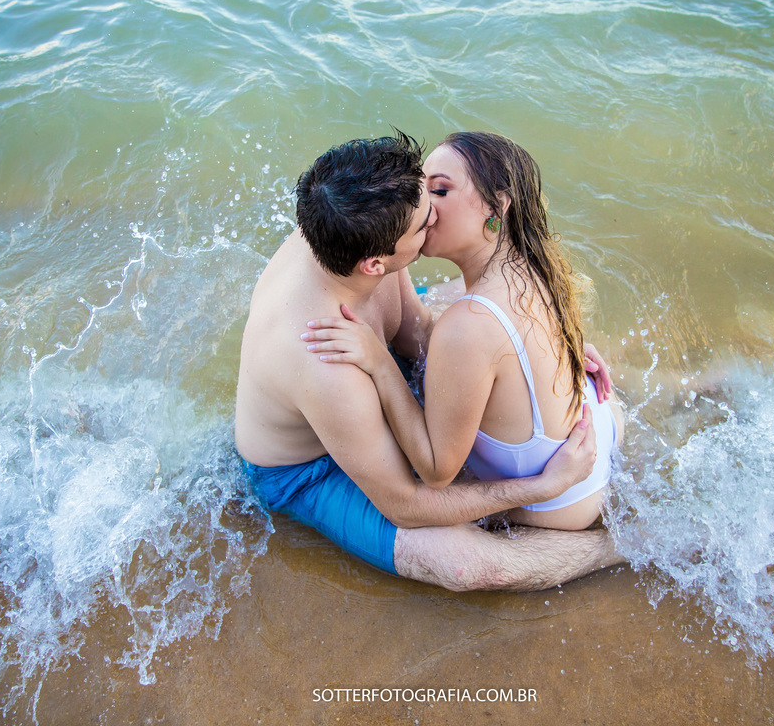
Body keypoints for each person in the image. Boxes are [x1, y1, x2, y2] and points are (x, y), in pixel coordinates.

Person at [233, 132, 623, 591]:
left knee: (468, 303)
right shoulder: (325, 365)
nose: (433, 216)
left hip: (360, 376)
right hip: (307, 468)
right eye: (422, 226)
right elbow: (407, 503)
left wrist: (549, 347)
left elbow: (415, 330)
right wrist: (541, 488)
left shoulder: (352, 218)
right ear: (375, 264)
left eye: (432, 194)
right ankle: (621, 547)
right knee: (463, 565)